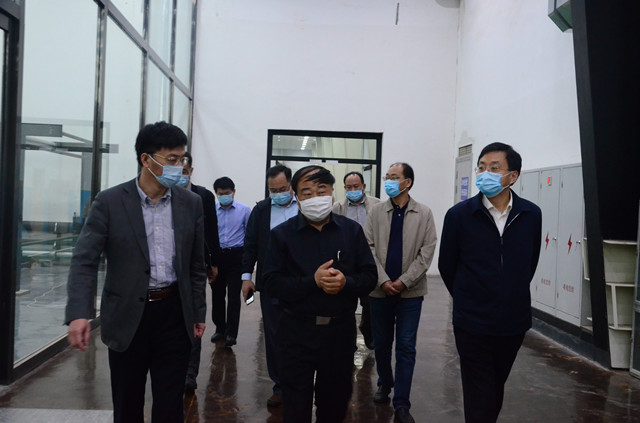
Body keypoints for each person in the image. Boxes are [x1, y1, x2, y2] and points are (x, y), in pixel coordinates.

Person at [65, 121, 207, 423]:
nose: (179, 167)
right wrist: (79, 313)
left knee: (170, 404)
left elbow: (196, 266)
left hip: (174, 314)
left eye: (182, 159)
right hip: (128, 317)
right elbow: (84, 261)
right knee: (128, 403)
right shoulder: (110, 202)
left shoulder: (190, 203)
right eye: (172, 159)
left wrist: (197, 312)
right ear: (146, 159)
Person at [262, 165, 377, 423]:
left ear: (332, 192)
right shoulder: (281, 235)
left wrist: (346, 282)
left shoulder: (351, 231)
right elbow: (271, 284)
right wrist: (311, 281)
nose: (315, 197)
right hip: (296, 332)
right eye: (307, 192)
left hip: (339, 333)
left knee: (334, 406)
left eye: (321, 190)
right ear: (296, 196)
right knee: (295, 406)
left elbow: (370, 277)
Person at [438, 142, 542, 423]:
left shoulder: (530, 214)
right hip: (472, 320)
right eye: (481, 168)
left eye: (494, 169)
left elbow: (530, 262)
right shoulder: (459, 215)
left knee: (495, 384)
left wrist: (511, 291)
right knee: (479, 388)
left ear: (513, 176)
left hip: (513, 320)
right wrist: (467, 297)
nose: (485, 174)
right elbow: (447, 265)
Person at [364, 162, 437, 423]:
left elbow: (427, 251)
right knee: (382, 343)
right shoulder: (375, 212)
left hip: (410, 294)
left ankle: (402, 403)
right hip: (379, 291)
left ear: (408, 182)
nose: (389, 181)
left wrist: (404, 282)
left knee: (406, 347)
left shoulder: (424, 213)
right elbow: (368, 247)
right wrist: (384, 280)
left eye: (394, 177)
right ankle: (385, 382)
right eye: (387, 177)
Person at [241, 164, 298, 408]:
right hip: (271, 282)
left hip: (302, 282)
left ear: (291, 185)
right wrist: (247, 277)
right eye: (273, 190)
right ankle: (280, 386)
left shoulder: (304, 206)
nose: (278, 194)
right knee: (274, 336)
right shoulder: (262, 210)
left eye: (283, 189)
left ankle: (300, 383)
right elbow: (251, 244)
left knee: (300, 335)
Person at [179, 151, 221, 392]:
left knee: (194, 317)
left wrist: (213, 262)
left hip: (195, 266)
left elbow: (211, 231)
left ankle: (190, 372)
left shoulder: (203, 196)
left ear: (191, 171)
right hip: (167, 270)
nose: (179, 175)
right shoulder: (161, 194)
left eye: (184, 171)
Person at [332, 171, 380, 349]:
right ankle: (349, 341)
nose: (352, 190)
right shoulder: (337, 207)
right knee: (347, 303)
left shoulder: (377, 205)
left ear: (363, 187)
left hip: (369, 258)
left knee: (369, 301)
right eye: (349, 187)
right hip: (346, 261)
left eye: (356, 186)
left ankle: (367, 330)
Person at [212, 176, 251, 347]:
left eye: (227, 193)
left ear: (234, 192)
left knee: (234, 296)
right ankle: (219, 329)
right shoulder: (212, 211)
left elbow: (249, 235)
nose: (224, 196)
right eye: (220, 194)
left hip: (236, 257)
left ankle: (231, 333)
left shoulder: (245, 210)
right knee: (217, 295)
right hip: (218, 257)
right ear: (216, 194)